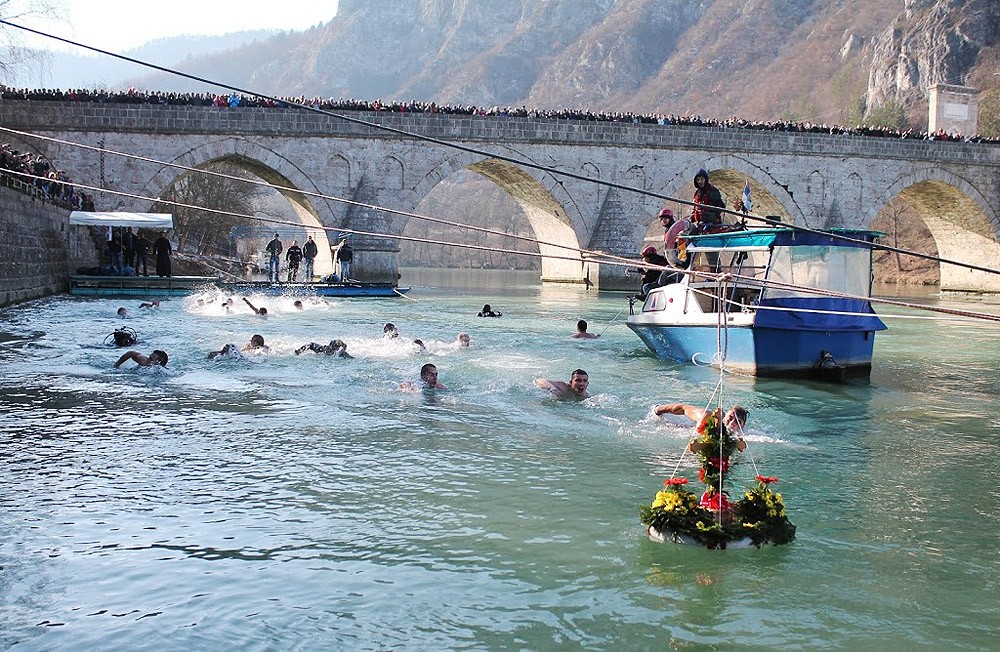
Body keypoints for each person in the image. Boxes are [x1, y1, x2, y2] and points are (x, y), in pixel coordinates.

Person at [653, 403, 748, 453]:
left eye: (737, 421)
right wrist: (658, 410)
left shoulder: (747, 437)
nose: (731, 423)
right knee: (675, 427)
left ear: (742, 427)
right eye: (730, 418)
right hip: (695, 431)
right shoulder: (707, 418)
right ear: (724, 417)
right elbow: (683, 408)